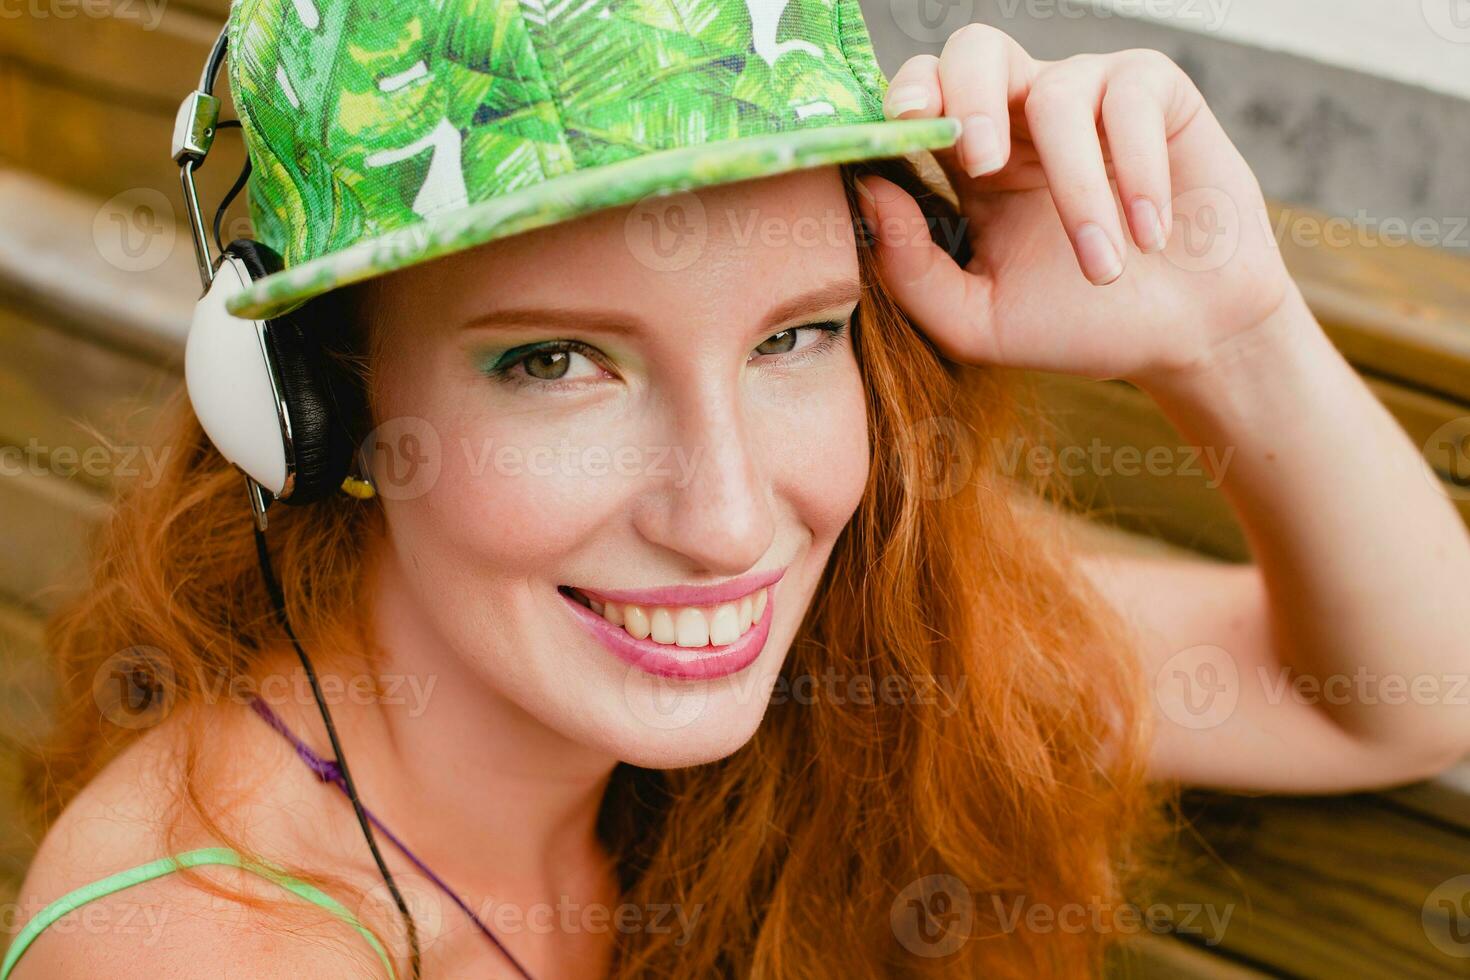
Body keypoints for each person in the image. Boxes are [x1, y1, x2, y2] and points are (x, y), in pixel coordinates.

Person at [8, 3, 1469, 977]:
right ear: (314, 412)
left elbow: (1403, 689)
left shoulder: (860, 662)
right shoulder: (197, 942)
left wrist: (1233, 335)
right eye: (554, 362)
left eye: (792, 337)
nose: (721, 520)